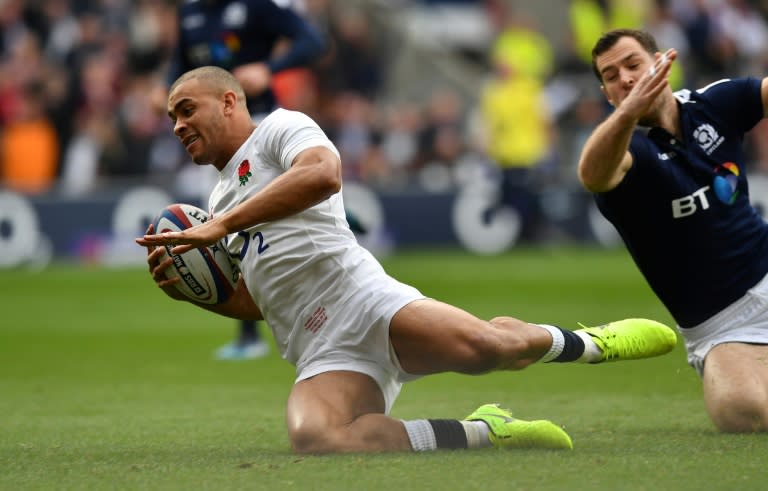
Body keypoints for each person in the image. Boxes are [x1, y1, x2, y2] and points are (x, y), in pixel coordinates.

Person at [137, 66, 677, 454]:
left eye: (188, 110)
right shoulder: (215, 203)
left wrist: (225, 226)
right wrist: (197, 295)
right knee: (315, 438)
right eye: (171, 118)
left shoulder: (279, 129)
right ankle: (485, 432)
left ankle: (591, 344)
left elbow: (324, 174)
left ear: (229, 102)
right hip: (317, 346)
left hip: (364, 301)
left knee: (490, 349)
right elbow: (262, 298)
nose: (179, 124)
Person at [578, 28, 768, 433]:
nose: (625, 78)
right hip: (723, 324)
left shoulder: (712, 104)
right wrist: (627, 114)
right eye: (612, 76)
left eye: (633, 64)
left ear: (661, 63)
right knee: (742, 412)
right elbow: (591, 175)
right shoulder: (627, 149)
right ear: (607, 93)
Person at [164, 0, 328, 360]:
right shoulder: (189, 12)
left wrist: (271, 68)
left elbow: (313, 41)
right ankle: (249, 333)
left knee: (260, 215)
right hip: (215, 137)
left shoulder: (257, 6)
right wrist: (165, 93)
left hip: (258, 122)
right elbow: (181, 65)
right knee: (239, 232)